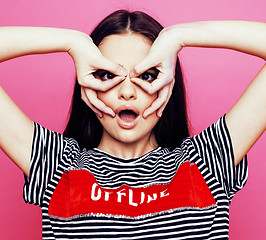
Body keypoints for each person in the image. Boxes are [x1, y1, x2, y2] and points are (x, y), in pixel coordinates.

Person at [0, 9, 265, 240]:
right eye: (106, 74)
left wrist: (179, 36)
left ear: (168, 83)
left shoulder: (207, 161)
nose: (127, 92)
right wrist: (72, 42)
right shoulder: (56, 165)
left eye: (147, 75)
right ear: (87, 83)